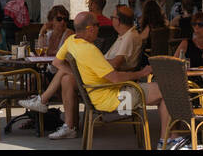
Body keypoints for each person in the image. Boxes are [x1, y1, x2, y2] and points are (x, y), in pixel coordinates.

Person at [42, 12, 168, 142]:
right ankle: (167, 140)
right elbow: (115, 78)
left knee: (66, 78)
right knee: (166, 91)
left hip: (97, 94)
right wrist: (142, 73)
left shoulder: (71, 41)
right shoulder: (91, 51)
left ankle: (168, 139)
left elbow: (56, 63)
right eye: (97, 25)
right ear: (90, 29)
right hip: (113, 98)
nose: (99, 27)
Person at [104, 6, 143, 70]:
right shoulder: (125, 35)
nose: (111, 20)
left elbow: (116, 64)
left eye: (112, 18)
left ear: (118, 20)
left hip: (112, 74)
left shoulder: (129, 36)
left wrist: (98, 62)